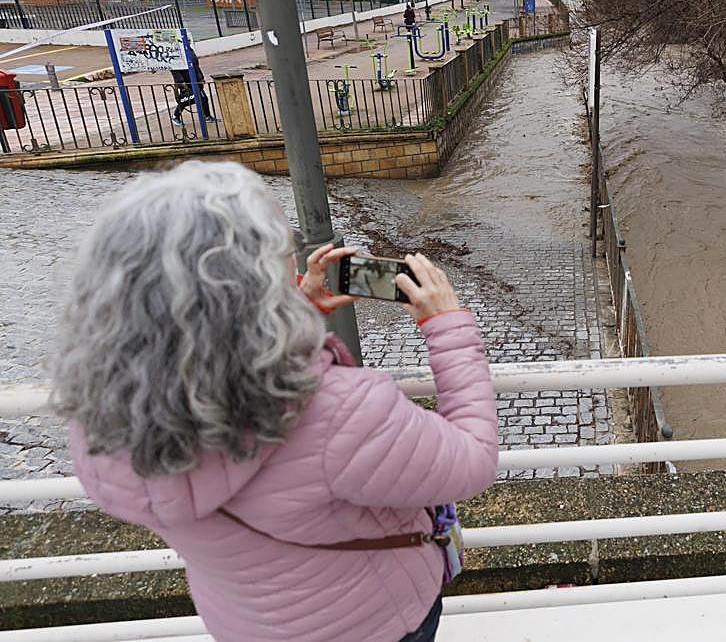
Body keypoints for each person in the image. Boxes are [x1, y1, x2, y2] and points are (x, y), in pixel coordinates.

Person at [51, 161, 499, 642]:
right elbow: (473, 460)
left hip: (245, 623)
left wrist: (294, 312)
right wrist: (446, 326)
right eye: (281, 256)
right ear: (253, 285)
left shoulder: (102, 420)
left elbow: (206, 357)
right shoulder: (339, 411)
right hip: (373, 620)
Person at [170, 46, 216, 127]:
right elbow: (175, 69)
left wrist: (200, 78)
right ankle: (175, 116)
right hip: (186, 81)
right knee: (187, 100)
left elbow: (196, 65)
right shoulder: (175, 52)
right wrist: (181, 82)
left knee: (203, 98)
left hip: (195, 79)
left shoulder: (189, 50)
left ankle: (207, 116)